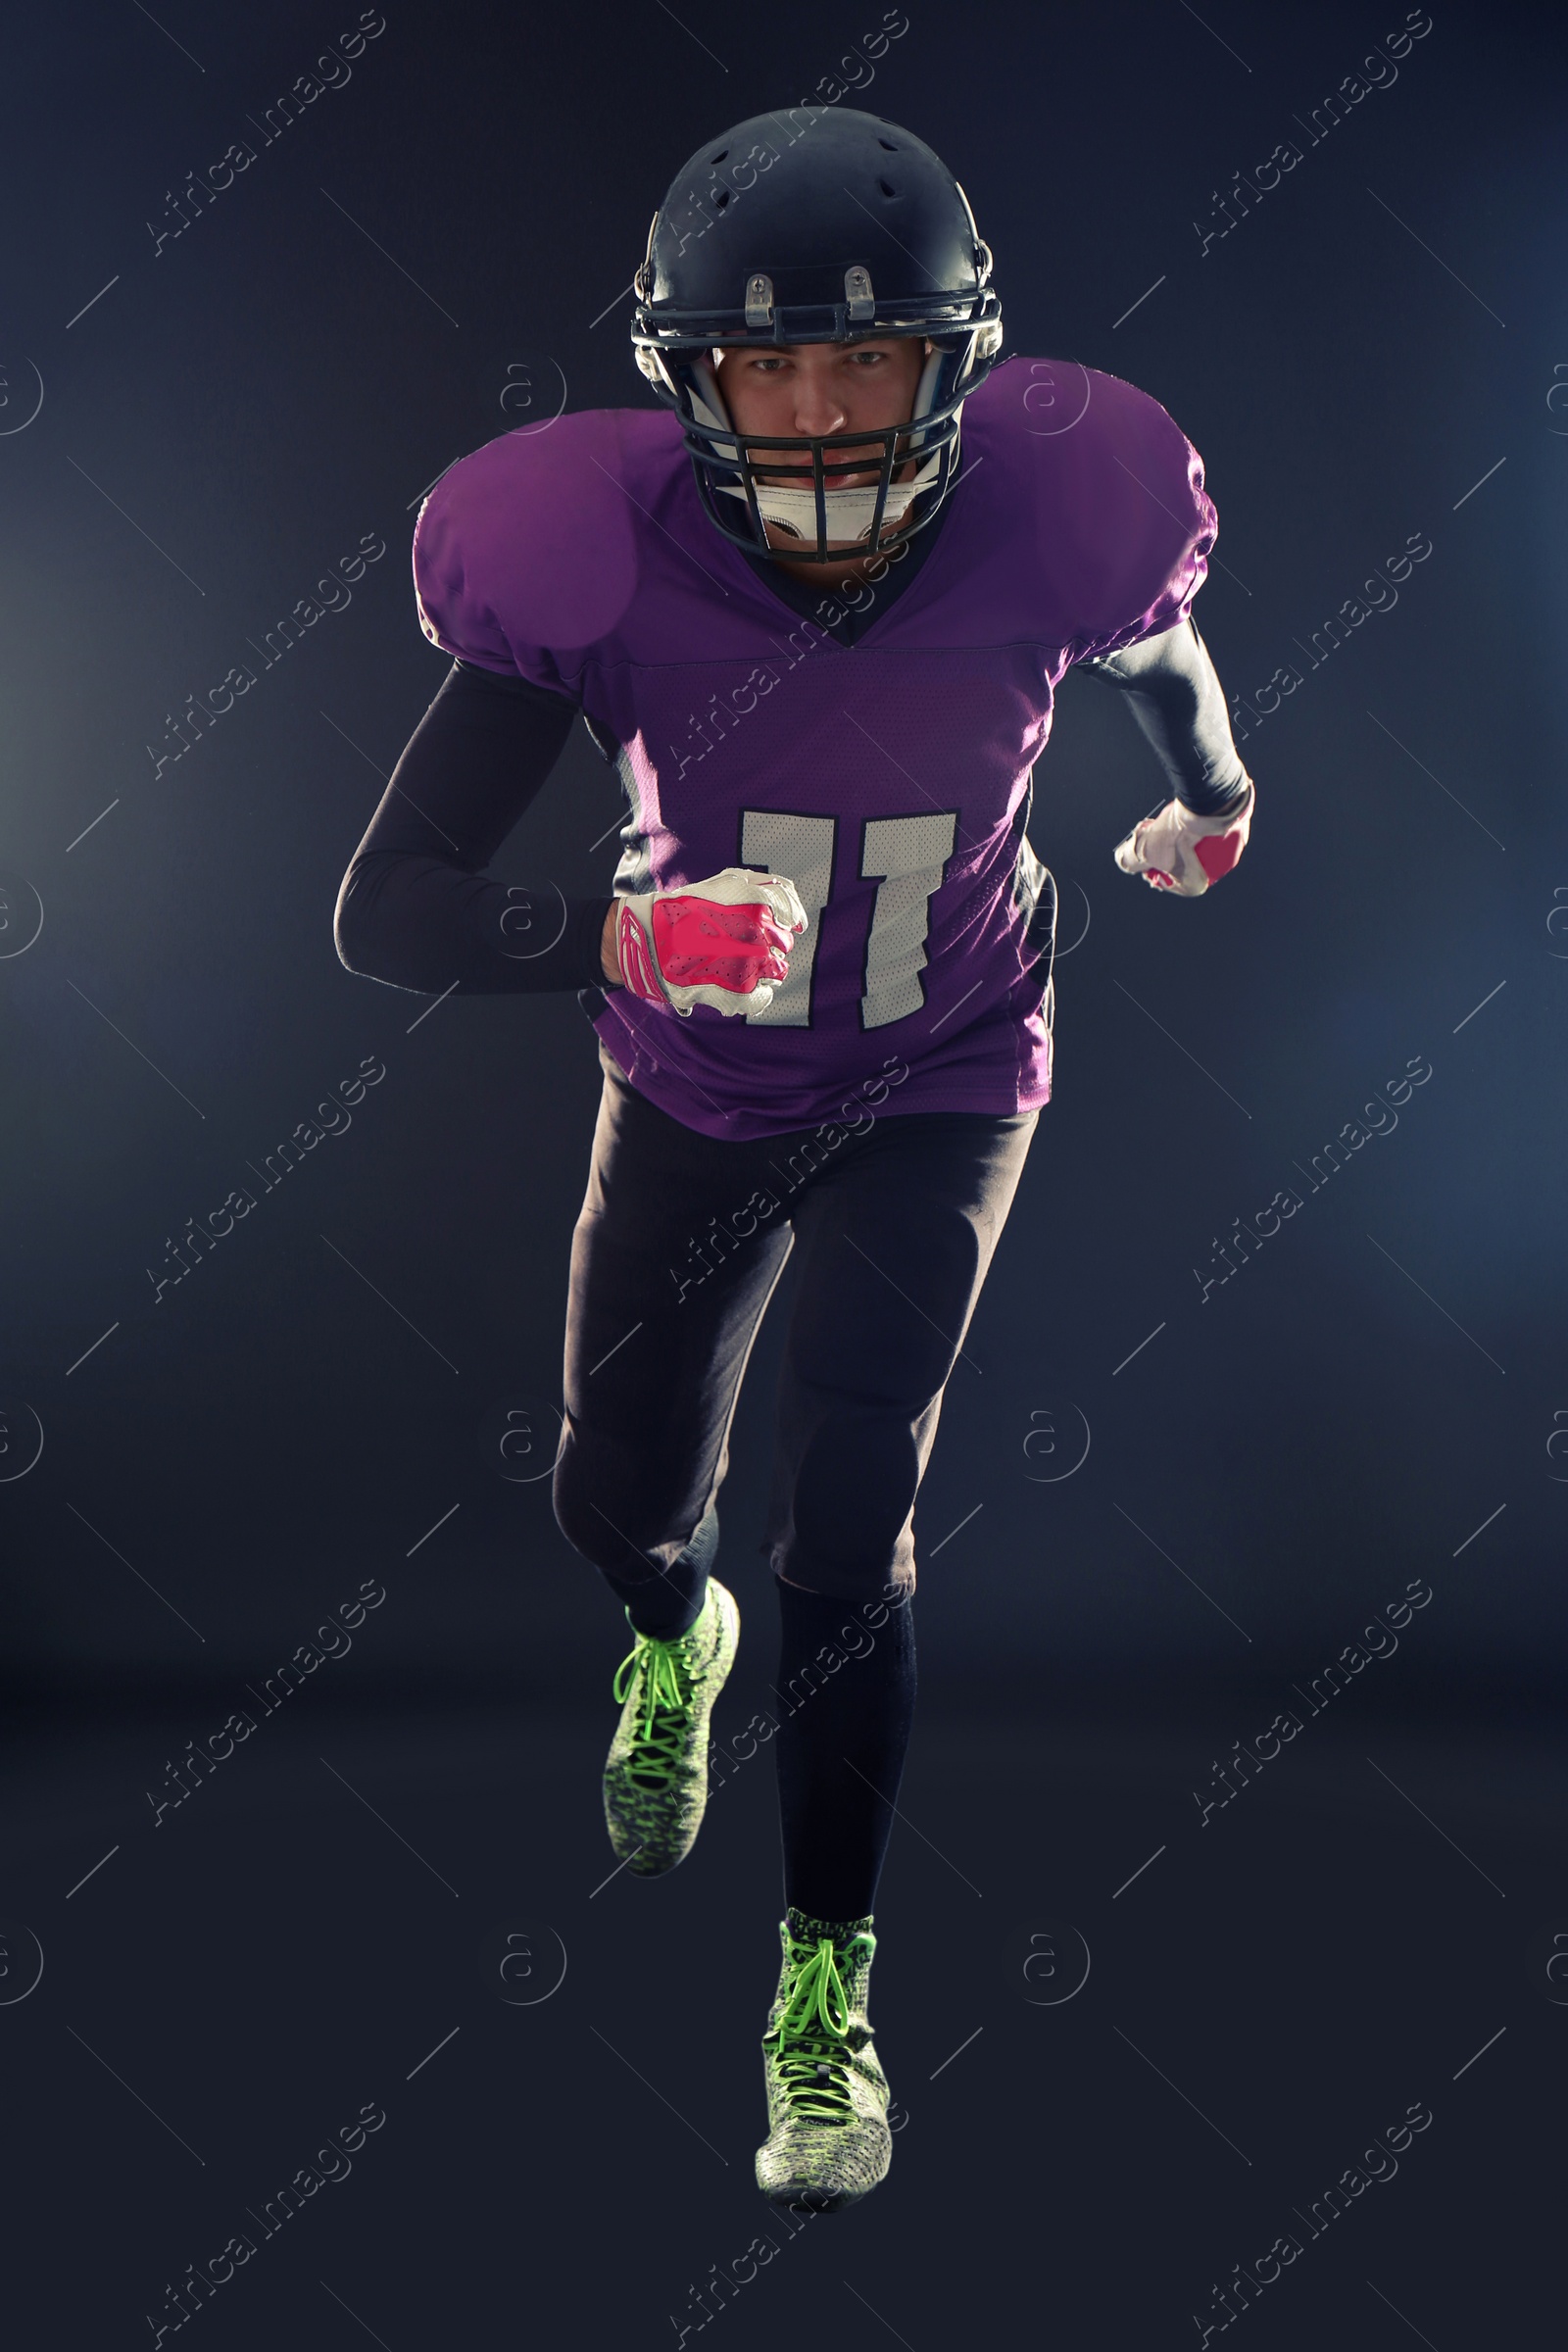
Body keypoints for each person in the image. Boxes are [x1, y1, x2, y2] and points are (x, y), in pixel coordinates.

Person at [334, 105, 1254, 2213]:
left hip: (946, 1063)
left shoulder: (1064, 517)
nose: (826, 417)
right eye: (772, 368)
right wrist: (617, 932)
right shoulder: (587, 553)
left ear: (958, 370)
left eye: (867, 363)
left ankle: (822, 1982)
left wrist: (1209, 796)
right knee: (614, 1497)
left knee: (854, 1518)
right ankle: (673, 1631)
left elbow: (1161, 659)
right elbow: (386, 903)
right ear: (689, 382)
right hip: (688, 1080)